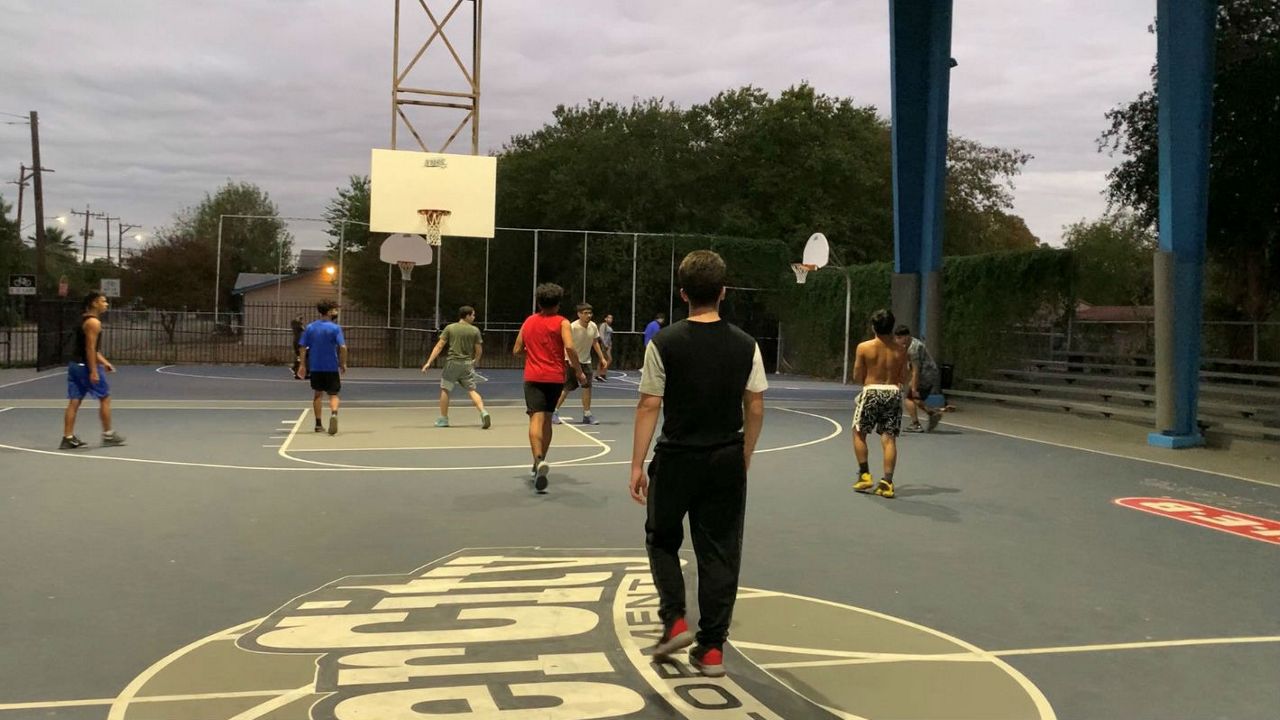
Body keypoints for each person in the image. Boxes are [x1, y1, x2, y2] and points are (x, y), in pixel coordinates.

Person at [629, 250, 767, 678]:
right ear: (723, 292)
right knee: (721, 553)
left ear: (683, 293)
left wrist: (637, 464)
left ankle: (674, 618)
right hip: (726, 457)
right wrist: (745, 453)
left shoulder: (664, 342)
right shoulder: (746, 345)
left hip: (676, 458)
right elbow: (756, 405)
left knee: (661, 538)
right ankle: (710, 651)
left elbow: (650, 404)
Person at [514, 283, 587, 493]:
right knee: (547, 418)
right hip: (555, 377)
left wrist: (532, 355)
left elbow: (517, 349)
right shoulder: (562, 323)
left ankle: (537, 461)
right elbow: (570, 347)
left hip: (533, 376)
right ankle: (542, 460)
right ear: (558, 303)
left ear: (539, 302)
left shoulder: (529, 321)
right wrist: (579, 371)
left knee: (535, 418)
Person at [851, 309, 909, 499]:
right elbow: (903, 377)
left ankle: (865, 475)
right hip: (893, 392)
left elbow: (857, 376)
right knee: (889, 438)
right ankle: (887, 483)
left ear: (873, 327)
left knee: (859, 432)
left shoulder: (864, 348)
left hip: (872, 391)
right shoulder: (901, 350)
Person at [61, 291, 125, 449]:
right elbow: (90, 349)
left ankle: (68, 437)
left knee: (74, 401)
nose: (106, 304)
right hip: (85, 367)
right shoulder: (93, 323)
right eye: (103, 301)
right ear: (94, 303)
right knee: (105, 398)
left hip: (75, 365)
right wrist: (94, 370)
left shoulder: (84, 319)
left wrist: (104, 362)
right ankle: (108, 434)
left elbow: (91, 349)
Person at [421, 305, 490, 429]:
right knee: (472, 390)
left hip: (452, 363)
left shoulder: (450, 328)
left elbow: (439, 346)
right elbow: (479, 349)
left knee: (445, 389)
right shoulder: (474, 330)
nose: (474, 317)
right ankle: (483, 411)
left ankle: (444, 419)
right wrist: (476, 361)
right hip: (467, 364)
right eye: (473, 315)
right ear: (467, 315)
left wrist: (429, 362)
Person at [296, 300, 347, 435]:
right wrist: (343, 363)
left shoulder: (310, 327)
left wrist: (302, 365)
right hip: (331, 366)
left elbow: (302, 347)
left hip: (316, 366)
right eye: (335, 310)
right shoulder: (335, 328)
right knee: (334, 394)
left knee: (317, 394)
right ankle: (334, 414)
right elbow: (342, 347)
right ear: (329, 311)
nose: (337, 312)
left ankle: (318, 424)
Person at [553, 303, 607, 426]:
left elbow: (595, 342)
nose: (588, 315)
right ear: (579, 314)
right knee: (567, 387)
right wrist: (569, 359)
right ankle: (554, 412)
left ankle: (587, 414)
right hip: (571, 361)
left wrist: (602, 358)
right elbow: (565, 344)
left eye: (590, 313)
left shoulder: (593, 326)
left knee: (587, 387)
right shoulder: (572, 327)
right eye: (585, 313)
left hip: (586, 361)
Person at [894, 324, 943, 433]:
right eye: (896, 338)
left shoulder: (913, 349)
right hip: (926, 373)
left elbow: (916, 370)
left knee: (909, 397)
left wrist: (914, 388)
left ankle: (916, 424)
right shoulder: (909, 344)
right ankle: (933, 414)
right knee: (914, 398)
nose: (897, 341)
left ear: (906, 337)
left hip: (927, 375)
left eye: (899, 338)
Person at [596, 313, 614, 381]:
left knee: (601, 360)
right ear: (605, 318)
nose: (610, 319)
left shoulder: (609, 327)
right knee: (609, 359)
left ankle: (598, 375)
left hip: (608, 345)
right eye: (609, 318)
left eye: (611, 318)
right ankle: (602, 374)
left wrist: (610, 345)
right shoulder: (604, 325)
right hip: (604, 345)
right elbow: (601, 335)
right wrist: (604, 344)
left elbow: (609, 337)